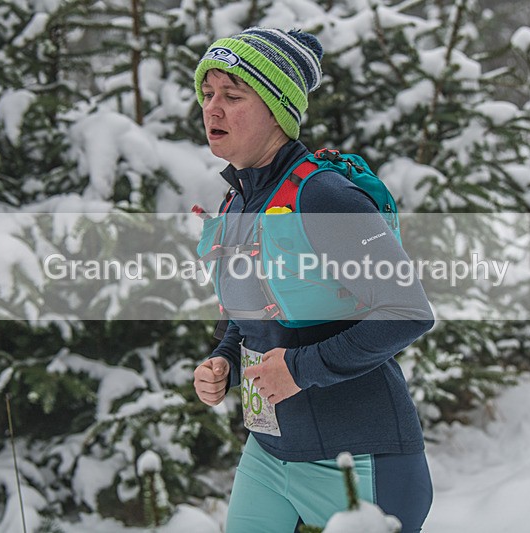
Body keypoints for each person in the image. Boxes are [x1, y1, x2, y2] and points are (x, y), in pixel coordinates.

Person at [191, 27, 435, 532]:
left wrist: (301, 368)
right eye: (208, 93)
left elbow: (407, 312)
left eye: (233, 96)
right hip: (268, 454)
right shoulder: (237, 201)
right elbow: (255, 315)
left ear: (278, 110)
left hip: (359, 459)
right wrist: (225, 361)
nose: (212, 108)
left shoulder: (324, 195)